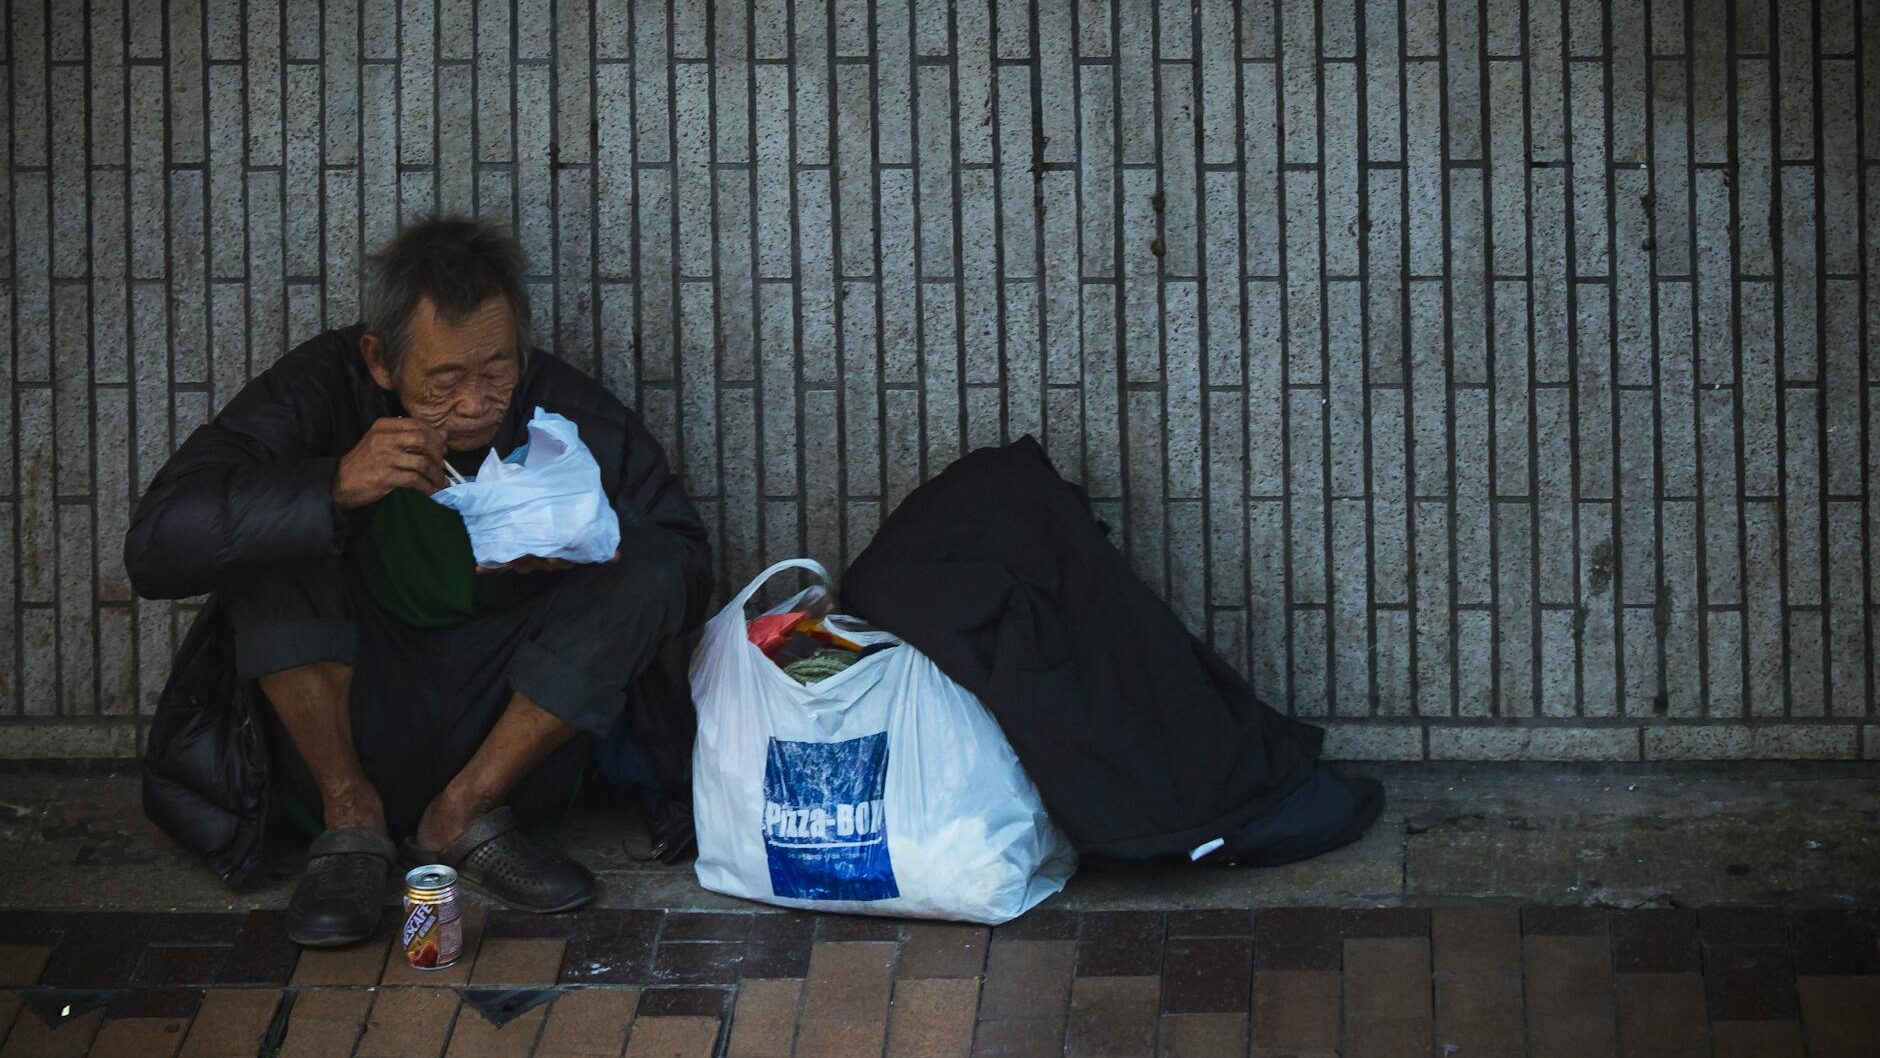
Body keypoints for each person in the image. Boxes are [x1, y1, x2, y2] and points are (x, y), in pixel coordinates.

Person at [126, 216, 712, 947]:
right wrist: (330, 485)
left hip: (501, 720)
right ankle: (351, 821)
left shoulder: (554, 403)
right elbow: (154, 544)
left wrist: (587, 544)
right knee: (274, 530)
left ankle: (463, 815)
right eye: (444, 381)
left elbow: (685, 556)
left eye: (497, 369)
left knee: (644, 560)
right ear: (380, 361)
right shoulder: (321, 388)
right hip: (350, 711)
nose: (474, 403)